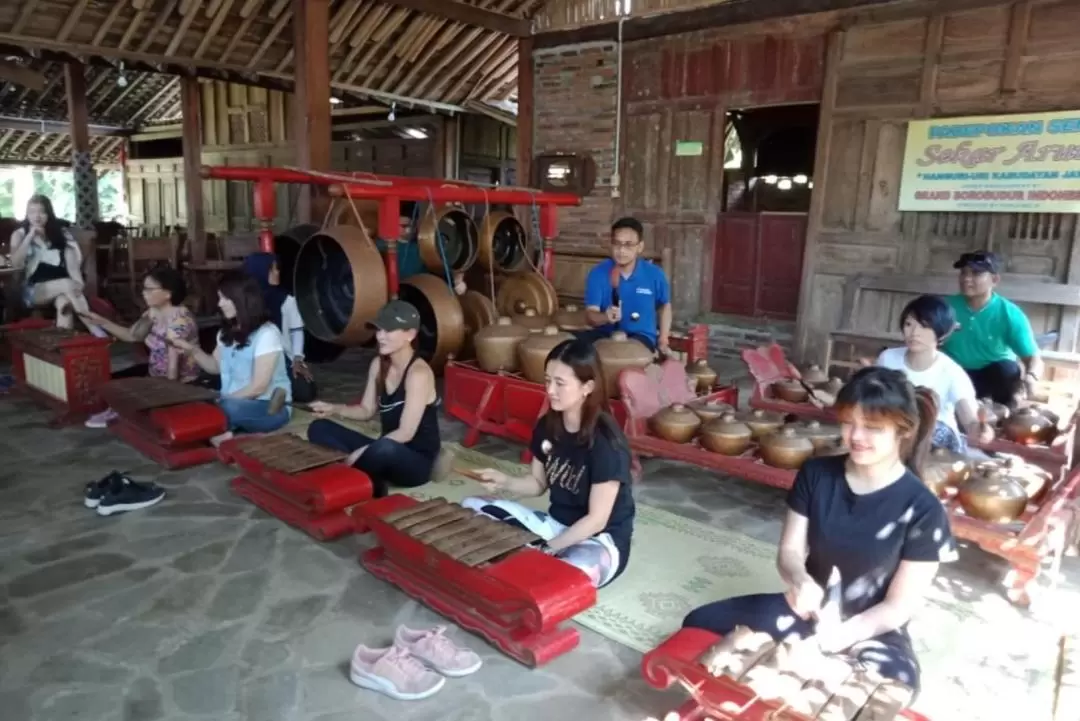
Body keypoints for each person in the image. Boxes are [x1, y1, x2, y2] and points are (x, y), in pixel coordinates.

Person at [682, 367, 955, 702]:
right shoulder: (817, 473)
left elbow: (899, 605)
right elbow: (790, 553)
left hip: (869, 627)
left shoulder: (924, 509)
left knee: (894, 686)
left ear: (903, 432)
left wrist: (845, 635)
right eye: (848, 422)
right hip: (805, 611)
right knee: (699, 623)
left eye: (872, 428)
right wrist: (799, 581)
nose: (855, 436)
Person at [464, 338, 636, 588]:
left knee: (568, 575)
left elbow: (597, 520)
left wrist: (548, 549)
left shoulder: (606, 442)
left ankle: (536, 559)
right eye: (547, 380)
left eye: (560, 383)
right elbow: (537, 484)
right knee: (473, 506)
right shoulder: (548, 425)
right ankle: (533, 558)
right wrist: (504, 480)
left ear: (587, 386)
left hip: (598, 540)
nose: (550, 390)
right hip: (555, 526)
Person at [307, 300, 443, 498]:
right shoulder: (378, 365)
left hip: (415, 461)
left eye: (388, 331)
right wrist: (334, 408)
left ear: (410, 335)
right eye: (379, 330)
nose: (380, 336)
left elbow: (405, 433)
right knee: (319, 427)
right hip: (383, 448)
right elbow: (365, 410)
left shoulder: (419, 374)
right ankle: (371, 480)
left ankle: (358, 477)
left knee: (384, 448)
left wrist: (362, 452)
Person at [169, 271, 291, 443]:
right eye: (220, 298)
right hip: (232, 402)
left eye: (225, 298)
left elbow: (258, 387)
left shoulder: (267, 334)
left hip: (269, 407)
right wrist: (192, 350)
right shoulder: (225, 333)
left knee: (223, 408)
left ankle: (225, 432)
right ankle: (227, 434)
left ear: (242, 299)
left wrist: (220, 400)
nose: (220, 303)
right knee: (199, 403)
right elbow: (214, 367)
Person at [81, 267, 200, 428]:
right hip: (155, 375)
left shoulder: (179, 322)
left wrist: (168, 398)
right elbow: (133, 335)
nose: (144, 293)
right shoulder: (152, 312)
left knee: (129, 393)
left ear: (168, 293)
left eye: (150, 289)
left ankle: (123, 414)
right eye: (144, 288)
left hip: (180, 382)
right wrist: (102, 322)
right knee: (113, 380)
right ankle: (119, 410)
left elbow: (173, 368)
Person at [875, 294, 991, 452]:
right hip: (897, 436)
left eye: (924, 326)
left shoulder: (951, 372)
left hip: (939, 448)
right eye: (909, 324)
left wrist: (977, 429)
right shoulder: (887, 358)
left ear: (941, 331)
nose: (914, 332)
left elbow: (969, 418)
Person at [942, 250, 1043, 407]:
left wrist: (1032, 377)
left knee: (1007, 369)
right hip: (956, 374)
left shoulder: (1010, 313)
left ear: (994, 280)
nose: (966, 279)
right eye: (963, 273)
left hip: (992, 378)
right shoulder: (945, 307)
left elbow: (1033, 358)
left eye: (976, 273)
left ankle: (1003, 414)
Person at [8, 194, 104, 336]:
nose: (37, 216)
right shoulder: (20, 234)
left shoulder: (61, 236)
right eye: (32, 212)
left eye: (41, 212)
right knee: (66, 284)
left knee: (65, 304)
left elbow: (77, 279)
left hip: (65, 289)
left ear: (49, 214)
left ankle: (62, 348)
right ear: (27, 215)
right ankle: (95, 329)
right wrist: (29, 236)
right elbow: (15, 263)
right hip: (32, 291)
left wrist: (76, 289)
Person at [577, 217, 672, 355]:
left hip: (640, 339)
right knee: (570, 347)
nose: (621, 250)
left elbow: (665, 306)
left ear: (640, 247)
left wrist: (663, 340)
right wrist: (605, 317)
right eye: (617, 244)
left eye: (628, 245)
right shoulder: (598, 273)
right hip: (604, 336)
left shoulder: (655, 274)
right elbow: (590, 316)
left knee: (623, 354)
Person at [242, 251, 315, 402]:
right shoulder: (242, 300)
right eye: (273, 269)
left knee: (305, 391)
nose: (277, 272)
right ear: (260, 270)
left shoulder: (287, 299)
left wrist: (297, 358)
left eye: (277, 268)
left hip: (281, 358)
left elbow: (297, 331)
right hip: (249, 357)